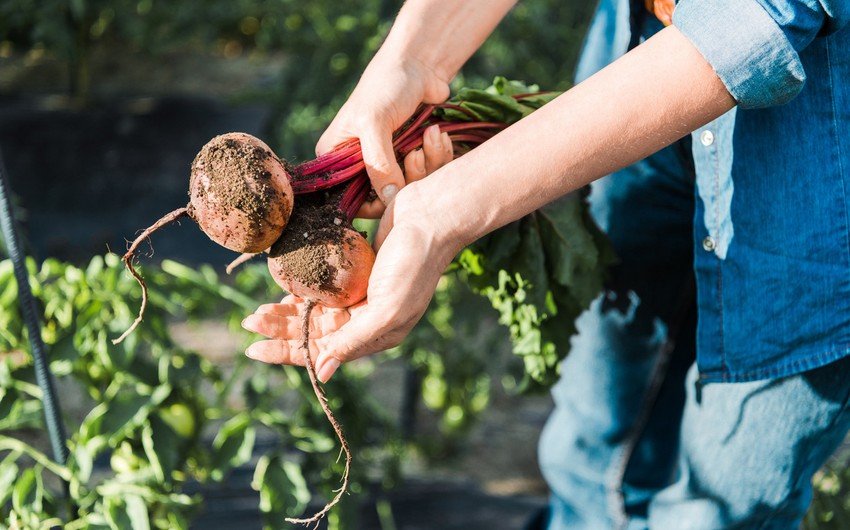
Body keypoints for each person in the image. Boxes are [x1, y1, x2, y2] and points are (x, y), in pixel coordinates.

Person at [241, 0, 850, 528]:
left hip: (816, 163)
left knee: (721, 500)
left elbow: (759, 16)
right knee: (596, 431)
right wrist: (414, 58)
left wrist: (445, 212)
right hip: (643, 52)